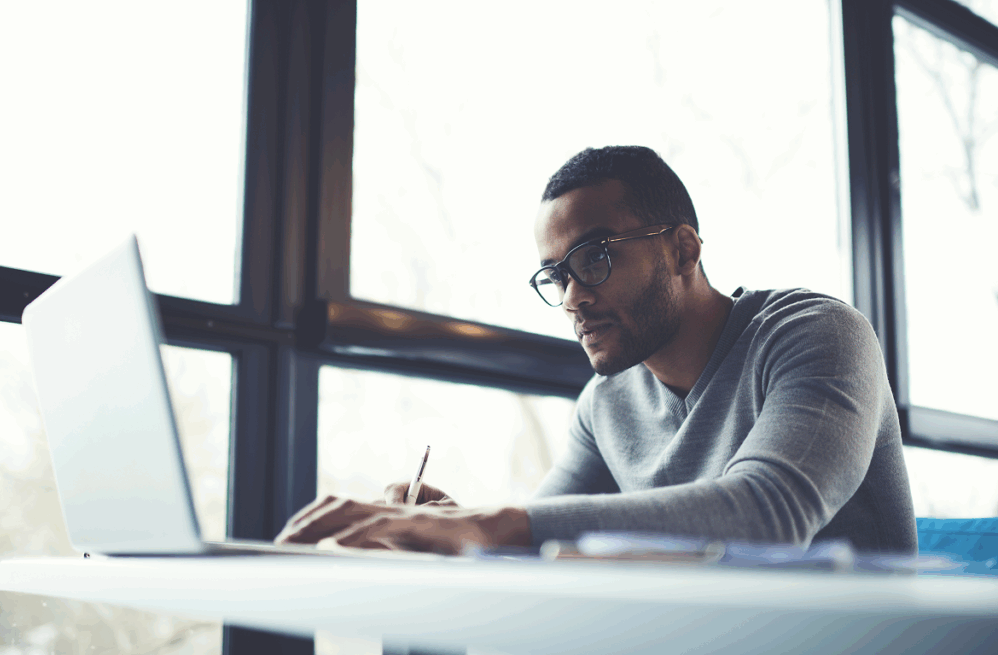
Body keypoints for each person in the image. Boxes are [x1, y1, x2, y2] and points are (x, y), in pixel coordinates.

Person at [275, 146, 918, 555]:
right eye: (557, 276)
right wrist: (456, 528)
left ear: (684, 249)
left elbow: (770, 513)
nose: (574, 297)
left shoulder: (816, 334)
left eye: (597, 257)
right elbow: (547, 532)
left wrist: (498, 525)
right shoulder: (605, 404)